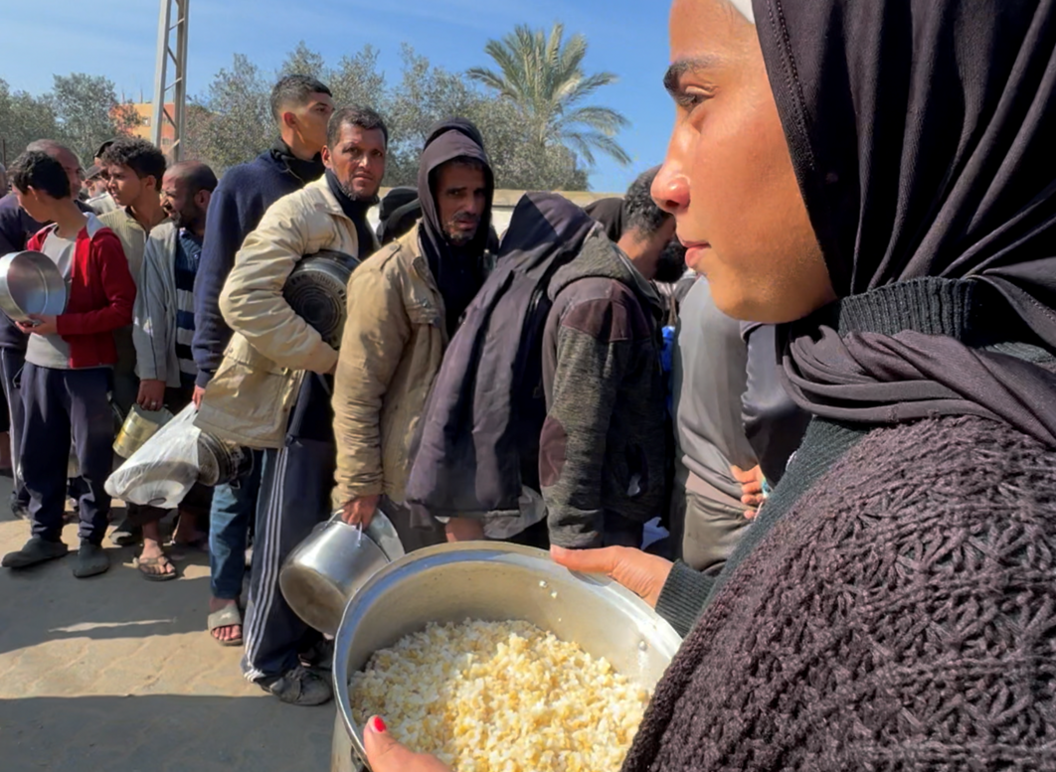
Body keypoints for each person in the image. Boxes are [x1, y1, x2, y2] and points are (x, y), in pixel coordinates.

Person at [361, 0, 1056, 769]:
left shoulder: (969, 557)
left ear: (871, 96)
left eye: (695, 103)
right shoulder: (879, 391)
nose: (667, 182)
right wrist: (711, 612)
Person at [196, 105, 386, 704]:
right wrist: (327, 360)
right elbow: (242, 297)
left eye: (376, 154)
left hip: (338, 406)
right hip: (298, 401)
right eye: (354, 150)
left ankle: (305, 643)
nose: (366, 163)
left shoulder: (361, 219)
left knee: (320, 533)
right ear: (327, 154)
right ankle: (267, 660)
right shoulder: (302, 210)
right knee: (282, 535)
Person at [192, 74, 333, 646]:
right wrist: (206, 368)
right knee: (234, 483)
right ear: (290, 119)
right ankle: (224, 592)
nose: (332, 118)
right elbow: (216, 277)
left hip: (311, 373)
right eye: (322, 109)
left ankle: (279, 593)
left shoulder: (332, 189)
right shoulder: (246, 183)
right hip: (249, 365)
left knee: (288, 495)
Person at [333, 118, 494, 547]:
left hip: (464, 486)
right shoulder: (387, 276)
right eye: (456, 193)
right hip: (399, 488)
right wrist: (361, 484)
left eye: (478, 193)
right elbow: (356, 394)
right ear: (430, 196)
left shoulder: (489, 271)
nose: (471, 206)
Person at [0, 150, 135, 577]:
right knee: (39, 451)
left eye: (19, 195)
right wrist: (27, 322)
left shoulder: (100, 242)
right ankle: (45, 535)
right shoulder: (40, 242)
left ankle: (91, 539)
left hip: (85, 370)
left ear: (36, 193)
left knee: (91, 457)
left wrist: (63, 323)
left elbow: (120, 310)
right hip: (39, 366)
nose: (18, 204)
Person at [533, 171, 672, 550]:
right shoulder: (604, 302)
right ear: (670, 219)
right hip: (602, 528)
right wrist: (575, 538)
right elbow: (574, 431)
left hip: (614, 514)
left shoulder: (624, 294)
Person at [130, 161, 218, 580]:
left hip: (211, 375)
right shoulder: (162, 240)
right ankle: (150, 540)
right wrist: (152, 372)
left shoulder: (229, 240)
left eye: (172, 193)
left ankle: (187, 527)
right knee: (150, 454)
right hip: (168, 371)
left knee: (203, 456)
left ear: (202, 198)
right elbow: (148, 309)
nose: (163, 201)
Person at [0, 140, 92, 521]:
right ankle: (28, 497)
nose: (75, 178)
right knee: (27, 423)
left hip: (69, 342)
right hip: (20, 339)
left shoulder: (87, 222)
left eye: (75, 171)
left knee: (68, 429)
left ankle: (70, 493)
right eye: (67, 171)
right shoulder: (10, 213)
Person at [98, 137, 170, 547]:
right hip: (125, 354)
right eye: (107, 175)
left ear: (148, 181)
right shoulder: (104, 225)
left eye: (118, 175)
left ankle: (179, 516)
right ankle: (143, 523)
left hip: (175, 354)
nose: (109, 183)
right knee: (135, 440)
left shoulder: (179, 223)